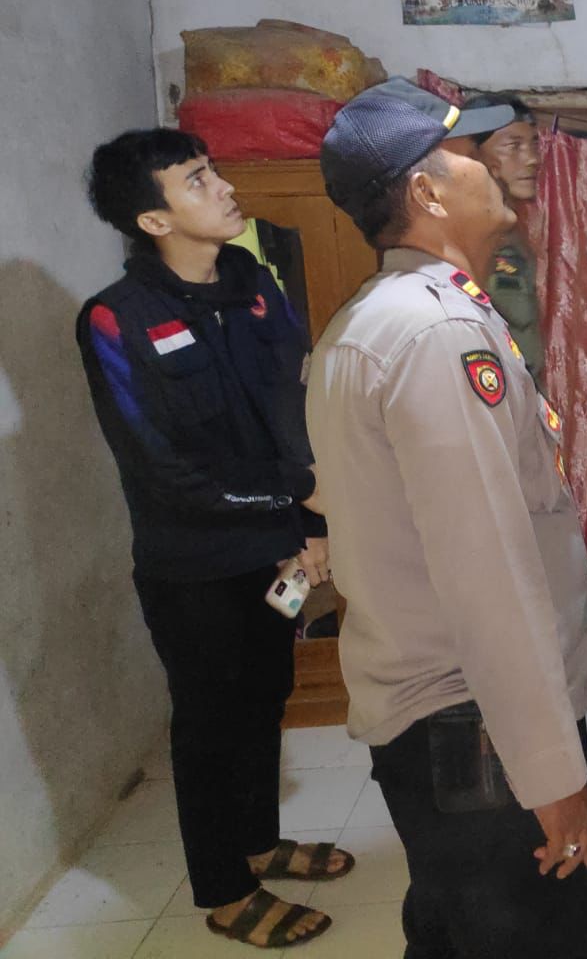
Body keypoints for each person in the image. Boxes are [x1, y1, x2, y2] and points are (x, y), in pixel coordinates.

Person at [307, 78, 587, 958]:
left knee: (452, 931)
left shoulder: (387, 317)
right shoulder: (435, 334)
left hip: (447, 717)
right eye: (470, 153)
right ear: (427, 192)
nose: (491, 166)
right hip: (474, 725)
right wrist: (550, 774)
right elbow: (489, 578)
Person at [76, 128, 351, 950]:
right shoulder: (115, 319)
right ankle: (226, 891)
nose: (225, 187)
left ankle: (259, 844)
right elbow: (160, 468)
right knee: (208, 720)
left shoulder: (252, 283)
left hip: (274, 547)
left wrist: (307, 526)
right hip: (192, 564)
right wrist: (295, 496)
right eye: (197, 180)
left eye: (214, 171)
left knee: (266, 696)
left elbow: (294, 409)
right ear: (153, 220)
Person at [461, 92, 546, 390]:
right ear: (473, 155)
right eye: (514, 146)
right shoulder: (470, 235)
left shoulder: (506, 229)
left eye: (534, 144)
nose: (533, 159)